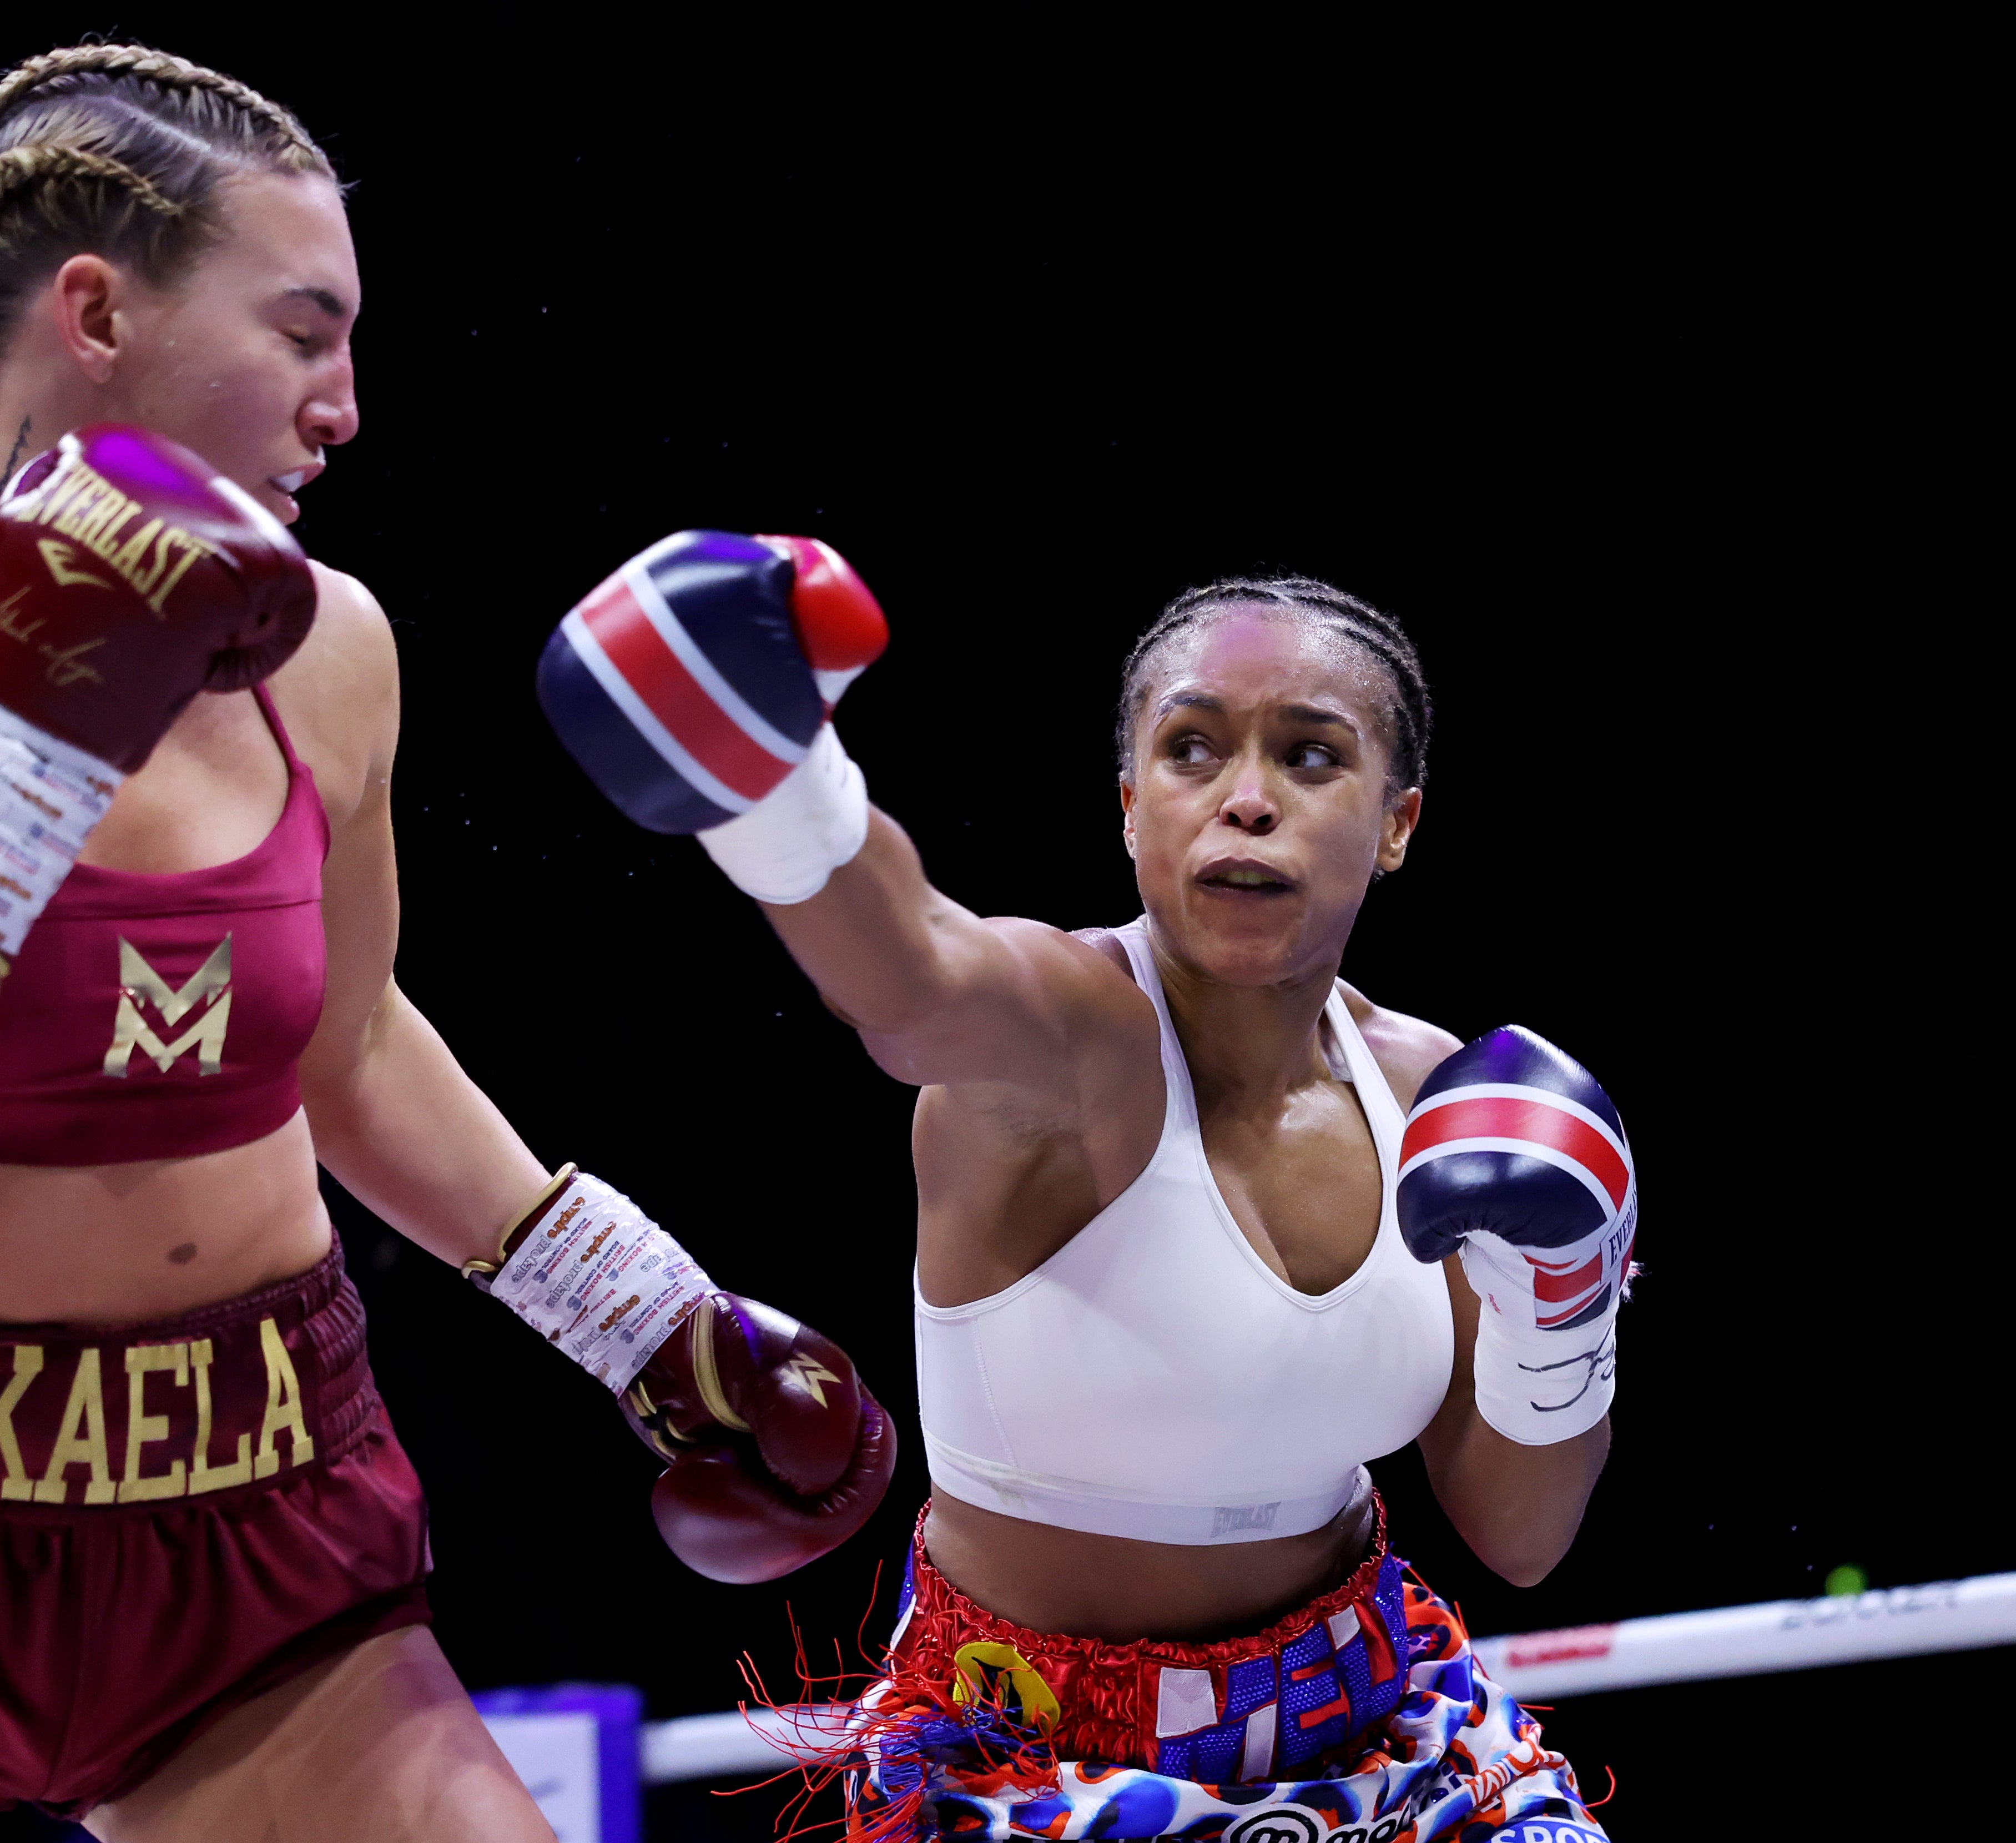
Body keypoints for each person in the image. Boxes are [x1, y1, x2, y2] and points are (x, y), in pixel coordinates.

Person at [0, 48, 892, 1843]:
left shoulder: (331, 648)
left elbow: (350, 1044)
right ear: (96, 314)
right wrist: (27, 744)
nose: (347, 405)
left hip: (256, 1519)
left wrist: (638, 1317)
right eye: (304, 333)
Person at [538, 535, 1629, 1840]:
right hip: (1034, 1761)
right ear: (1128, 803)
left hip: (1383, 1726)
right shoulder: (1063, 1039)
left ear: (1397, 824)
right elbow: (913, 973)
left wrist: (1567, 1302)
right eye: (1193, 749)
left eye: (1312, 754)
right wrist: (777, 783)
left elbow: (1520, 1536)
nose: (1245, 798)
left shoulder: (1443, 1099)